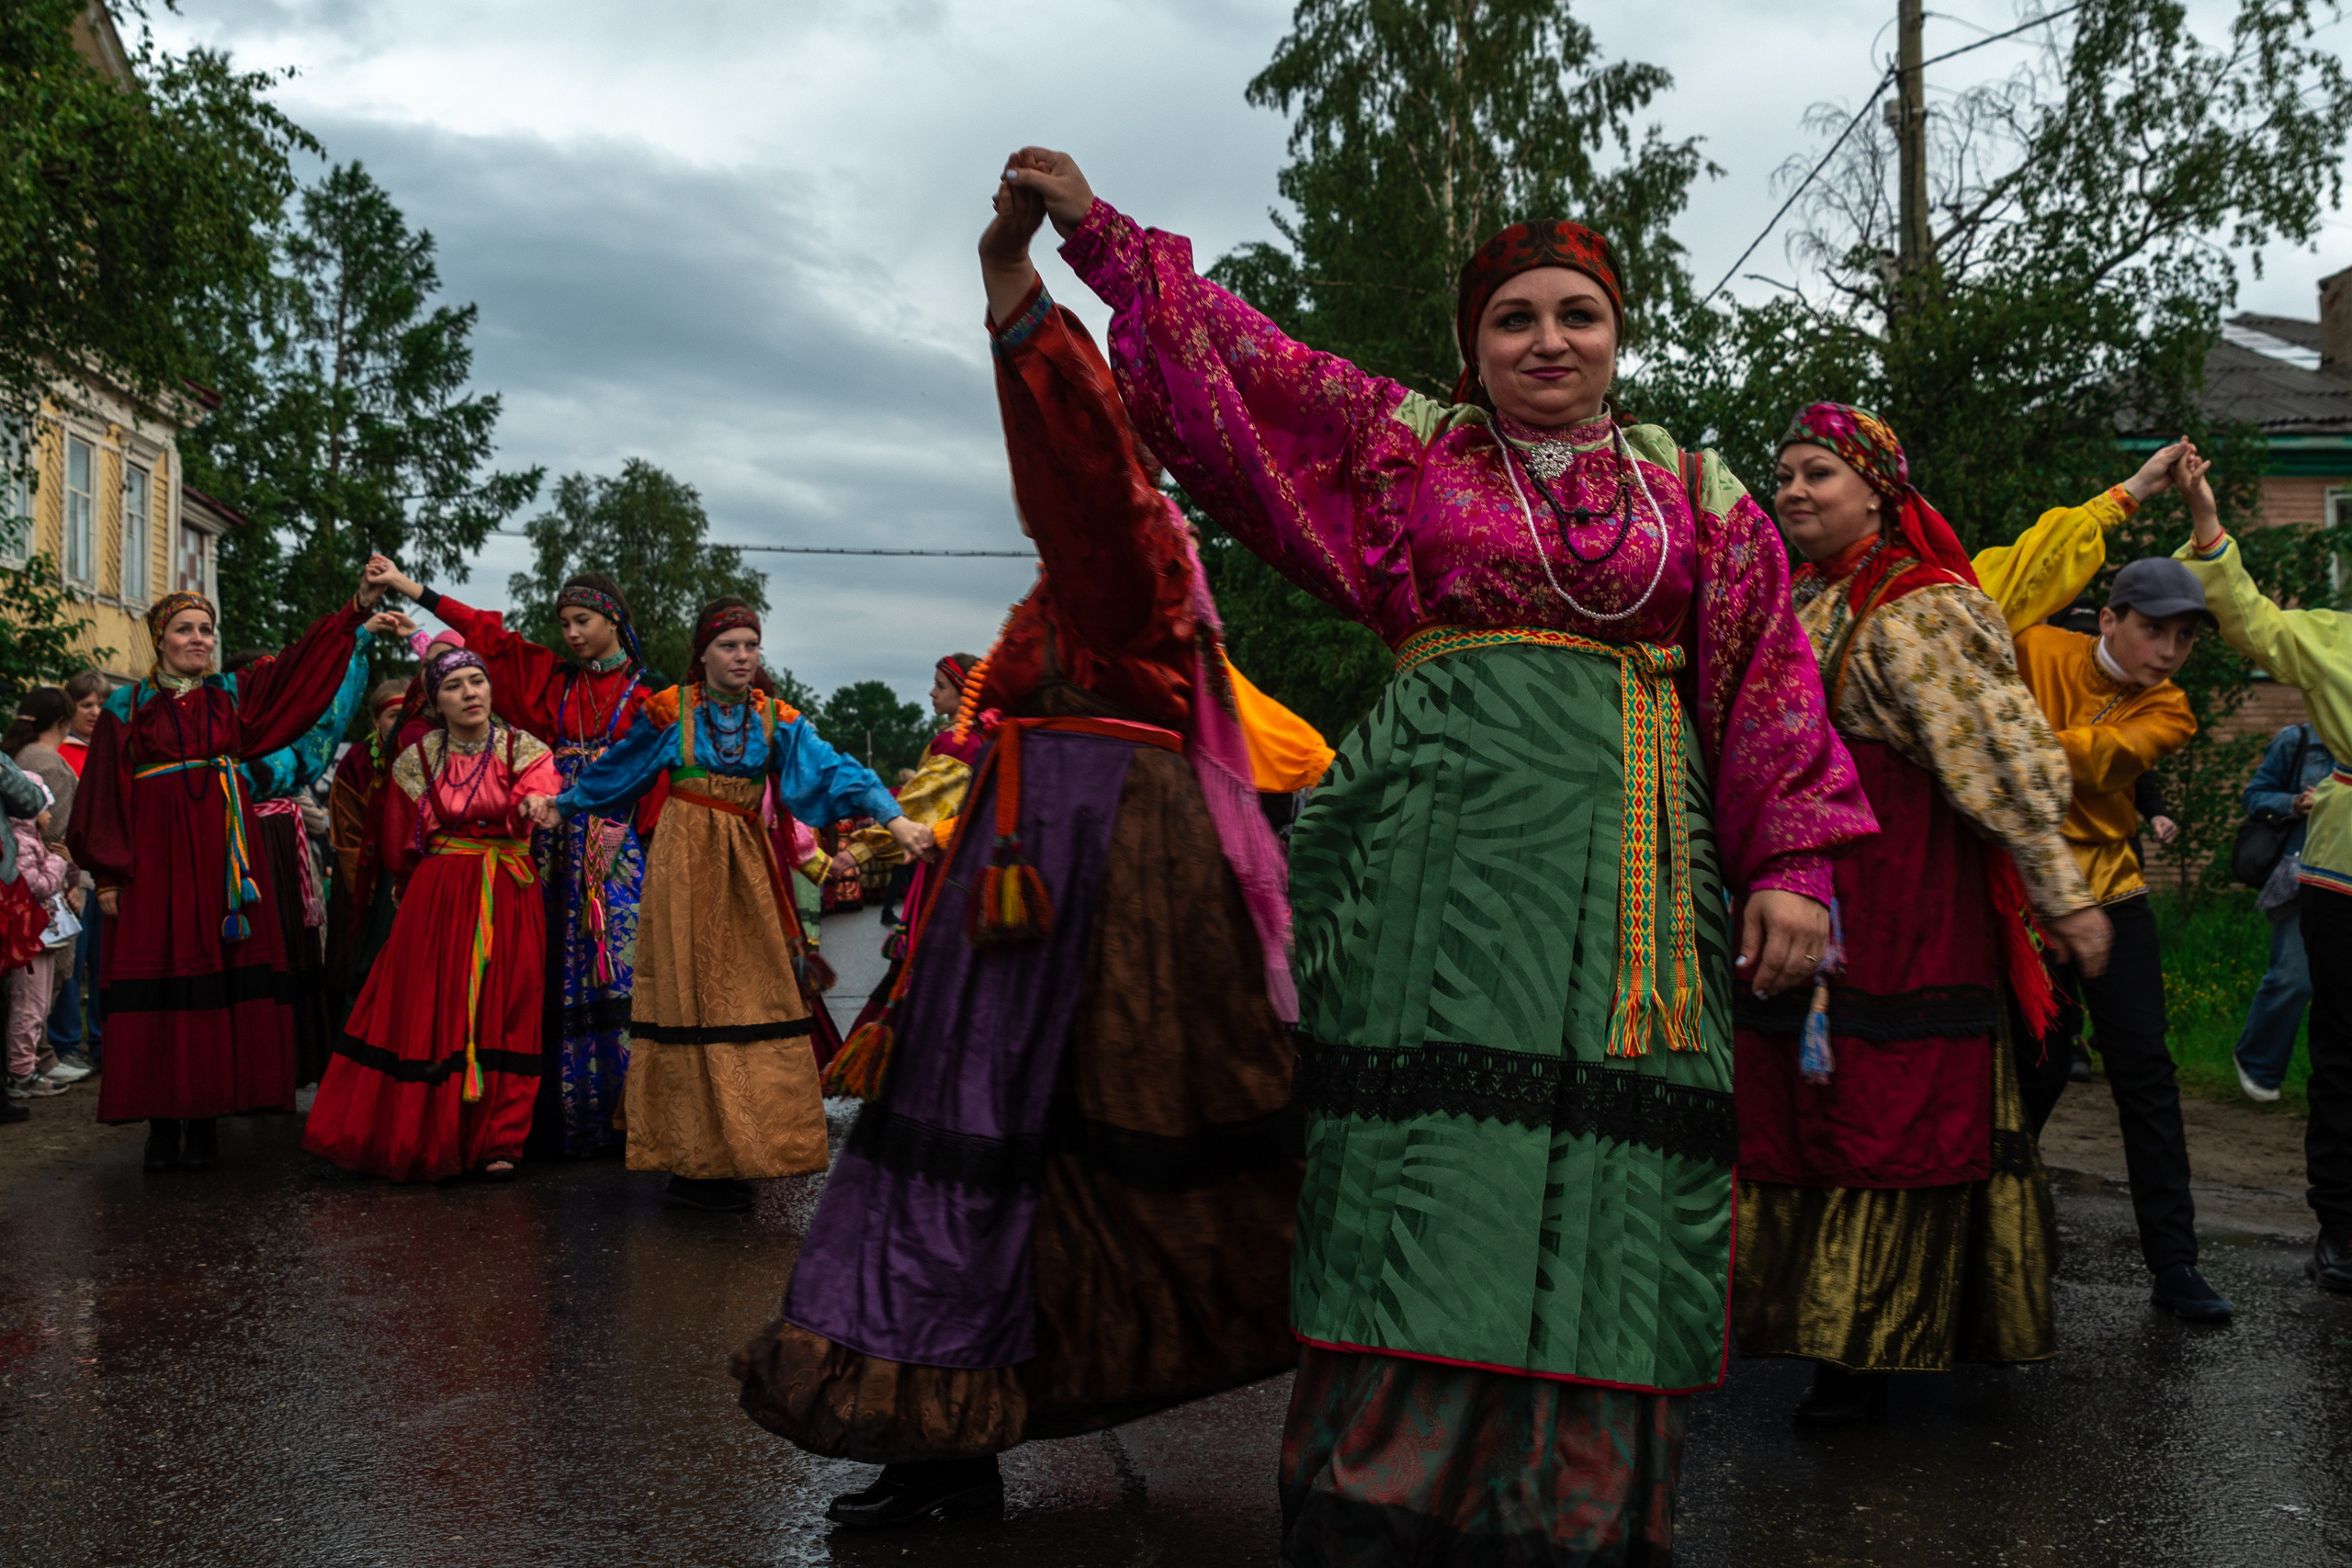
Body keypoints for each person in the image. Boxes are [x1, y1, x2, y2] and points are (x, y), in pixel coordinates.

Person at [1013, 146, 1872, 1562]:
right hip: (1440, 867)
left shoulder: (1705, 497)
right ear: (1474, 346)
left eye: (1576, 314)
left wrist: (1793, 865)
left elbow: (1768, 680)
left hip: (1635, 891)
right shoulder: (1407, 445)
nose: (1548, 340)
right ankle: (1389, 1503)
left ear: (1618, 335)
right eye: (1515, 318)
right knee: (1431, 1167)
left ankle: (1579, 1509)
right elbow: (1247, 360)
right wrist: (1103, 238)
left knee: (1613, 1179)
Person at [732, 176, 1318, 1532]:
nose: (1108, 449)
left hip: (1084, 891)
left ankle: (953, 1443)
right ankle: (943, 1438)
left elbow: (1086, 466)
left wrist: (1012, 289)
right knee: (968, 1157)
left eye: (1124, 431)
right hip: (1025, 883)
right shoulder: (1067, 593)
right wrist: (919, 827)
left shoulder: (1136, 550)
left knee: (995, 1150)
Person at [1733, 404, 2106, 1425]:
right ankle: (1811, 1329)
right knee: (1805, 1114)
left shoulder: (1920, 610)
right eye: (1786, 474)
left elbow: (2000, 762)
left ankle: (1863, 1357)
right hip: (1801, 905)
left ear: (1879, 492)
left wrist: (2059, 893)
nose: (1796, 491)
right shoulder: (1796, 600)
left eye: (1820, 473)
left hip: (1903, 916)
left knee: (1888, 1119)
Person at [530, 596, 934, 1213]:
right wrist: (564, 803)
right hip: (684, 865)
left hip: (745, 866)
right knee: (689, 1001)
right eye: (730, 645)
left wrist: (894, 818)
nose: (743, 656)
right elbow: (620, 769)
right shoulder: (671, 710)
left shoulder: (777, 719)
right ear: (704, 653)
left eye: (751, 644)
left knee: (750, 996)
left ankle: (751, 1146)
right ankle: (694, 1162)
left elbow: (834, 773)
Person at [1994, 453, 2224, 1322]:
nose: (2169, 653)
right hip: (2027, 903)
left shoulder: (2171, 710)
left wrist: (2010, 740)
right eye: (2156, 631)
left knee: (2147, 1076)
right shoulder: (2033, 646)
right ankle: (1994, 1232)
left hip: (2116, 902)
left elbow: (2085, 765)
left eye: (2185, 639)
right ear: (2113, 616)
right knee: (2034, 1072)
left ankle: (2175, 1266)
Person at [65, 576, 388, 1174]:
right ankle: (161, 1127)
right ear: (160, 638)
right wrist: (108, 875)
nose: (198, 639)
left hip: (225, 857)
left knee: (222, 976)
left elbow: (299, 666)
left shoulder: (234, 696)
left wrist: (356, 611)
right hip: (156, 864)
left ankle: (207, 1124)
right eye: (185, 629)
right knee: (162, 982)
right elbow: (103, 791)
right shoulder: (125, 706)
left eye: (206, 630)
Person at [368, 566, 655, 1160]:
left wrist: (627, 828)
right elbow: (486, 637)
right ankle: (553, 1117)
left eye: (583, 621)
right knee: (540, 972)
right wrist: (413, 590)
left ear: (615, 621)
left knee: (619, 967)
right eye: (565, 624)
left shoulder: (651, 697)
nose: (572, 634)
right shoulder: (554, 683)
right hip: (548, 842)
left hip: (617, 844)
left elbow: (662, 770)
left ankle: (632, 1114)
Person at [2175, 449, 2352, 1292]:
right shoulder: (2332, 637)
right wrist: (2207, 521)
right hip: (2343, 881)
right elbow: (2246, 617)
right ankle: (2344, 1227)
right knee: (2345, 1053)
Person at [303, 646, 560, 1183]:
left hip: (508, 889)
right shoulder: (415, 761)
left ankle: (500, 1139)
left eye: (477, 681)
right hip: (439, 894)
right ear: (435, 702)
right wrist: (406, 888)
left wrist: (536, 803)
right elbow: (400, 845)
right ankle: (430, 1132)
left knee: (508, 1004)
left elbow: (542, 785)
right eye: (454, 686)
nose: (470, 693)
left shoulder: (522, 747)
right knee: (434, 1009)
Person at [228, 629, 383, 1088]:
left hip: (282, 843)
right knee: (250, 950)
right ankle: (247, 1062)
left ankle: (288, 1061)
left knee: (294, 946)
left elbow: (329, 716)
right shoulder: (221, 733)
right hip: (238, 843)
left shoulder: (291, 737)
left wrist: (354, 645)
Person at [2234, 721, 2335, 1101]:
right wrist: (2292, 803)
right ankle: (2258, 1062)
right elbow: (2254, 795)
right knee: (2294, 979)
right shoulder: (2300, 740)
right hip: (2304, 877)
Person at [7, 689, 92, 1084]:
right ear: (63, 721)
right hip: (48, 883)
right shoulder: (48, 763)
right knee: (48, 979)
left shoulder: (22, 758)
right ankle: (37, 1061)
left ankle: (36, 1059)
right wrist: (70, 877)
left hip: (31, 879)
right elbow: (58, 832)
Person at [325, 678, 414, 1031]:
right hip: (368, 882)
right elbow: (347, 834)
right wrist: (371, 887)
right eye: (395, 715)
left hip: (416, 876)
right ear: (376, 720)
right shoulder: (357, 763)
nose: (404, 723)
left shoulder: (432, 753)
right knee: (364, 966)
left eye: (412, 714)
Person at [47, 670, 107, 1065]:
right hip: (72, 873)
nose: (95, 711)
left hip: (108, 871)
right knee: (71, 960)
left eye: (101, 704)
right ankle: (66, 1043)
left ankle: (103, 1041)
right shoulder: (59, 756)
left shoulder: (115, 752)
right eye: (86, 704)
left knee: (106, 962)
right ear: (70, 710)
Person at [5, 792, 76, 1103]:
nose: (50, 814)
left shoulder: (29, 839)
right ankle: (21, 1072)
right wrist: (59, 860)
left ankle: (26, 1066)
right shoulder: (22, 843)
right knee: (29, 1004)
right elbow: (38, 885)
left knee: (38, 1004)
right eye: (47, 807)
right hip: (31, 935)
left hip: (38, 934)